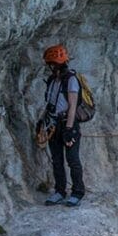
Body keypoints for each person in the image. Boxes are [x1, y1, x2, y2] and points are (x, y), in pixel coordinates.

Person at [41, 44, 85, 206]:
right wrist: (42, 120)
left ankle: (78, 192)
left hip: (68, 124)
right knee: (57, 160)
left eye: (51, 64)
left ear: (57, 64)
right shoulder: (53, 80)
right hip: (53, 124)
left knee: (72, 160)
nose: (49, 67)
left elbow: (72, 106)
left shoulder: (71, 80)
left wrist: (69, 129)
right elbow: (50, 102)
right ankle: (60, 191)